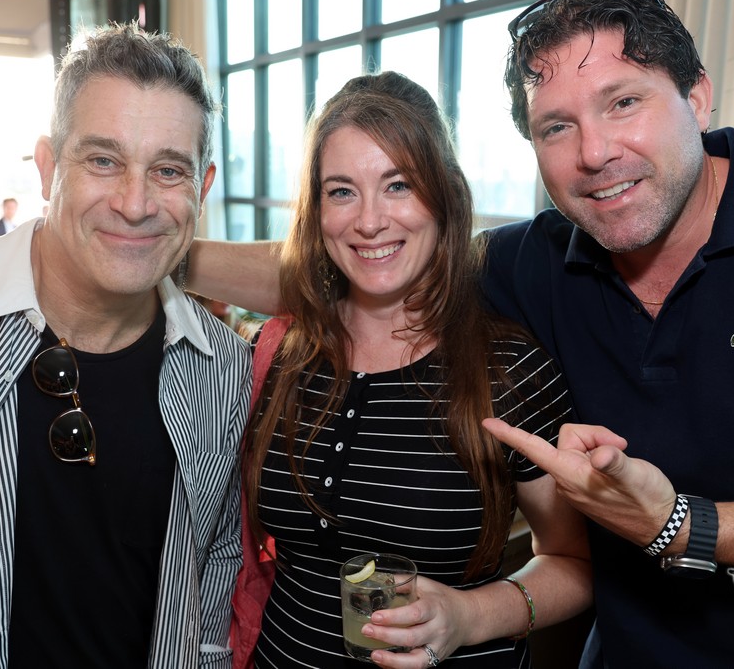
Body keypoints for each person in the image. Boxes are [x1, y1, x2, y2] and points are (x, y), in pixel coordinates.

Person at [184, 0, 734, 666]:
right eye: (557, 126)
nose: (595, 152)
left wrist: (681, 525)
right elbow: (355, 263)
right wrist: (154, 251)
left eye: (623, 102)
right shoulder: (539, 262)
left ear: (698, 96)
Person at [0, 22, 250, 668]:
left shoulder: (225, 372)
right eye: (103, 160)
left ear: (202, 187)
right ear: (48, 168)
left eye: (167, 170)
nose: (135, 203)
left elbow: (208, 603)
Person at [241, 71, 590, 668]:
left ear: (444, 195)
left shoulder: (508, 369)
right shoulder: (283, 353)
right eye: (341, 191)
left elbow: (576, 562)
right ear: (316, 210)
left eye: (398, 185)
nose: (369, 221)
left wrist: (469, 615)